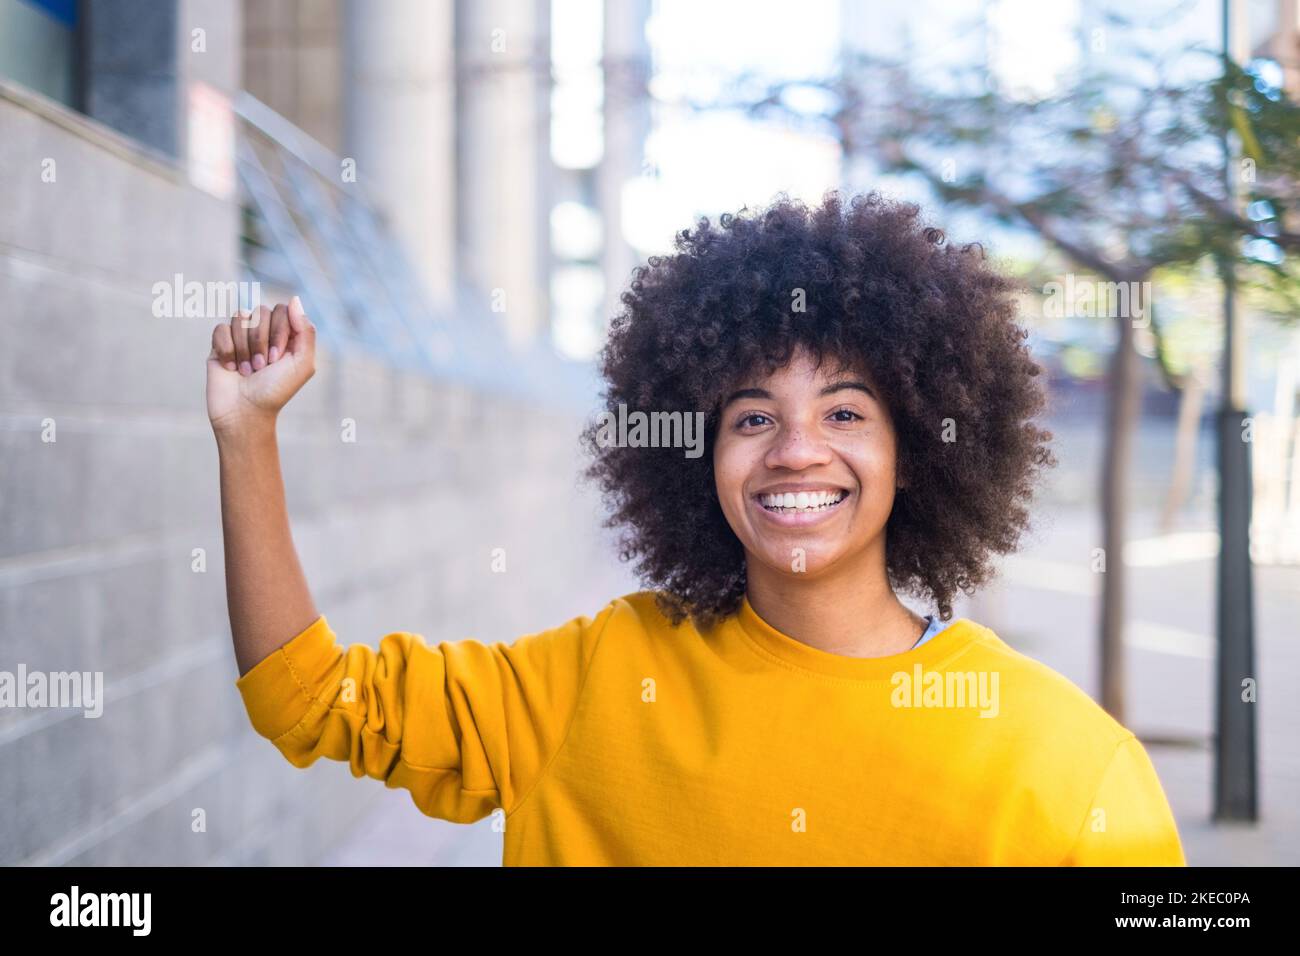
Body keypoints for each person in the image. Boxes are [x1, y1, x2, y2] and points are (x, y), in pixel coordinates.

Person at [207, 191, 1186, 866]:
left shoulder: (1066, 766)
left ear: (922, 450)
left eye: (845, 412)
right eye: (751, 416)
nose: (795, 449)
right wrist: (247, 432)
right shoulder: (590, 681)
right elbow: (307, 696)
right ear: (696, 456)